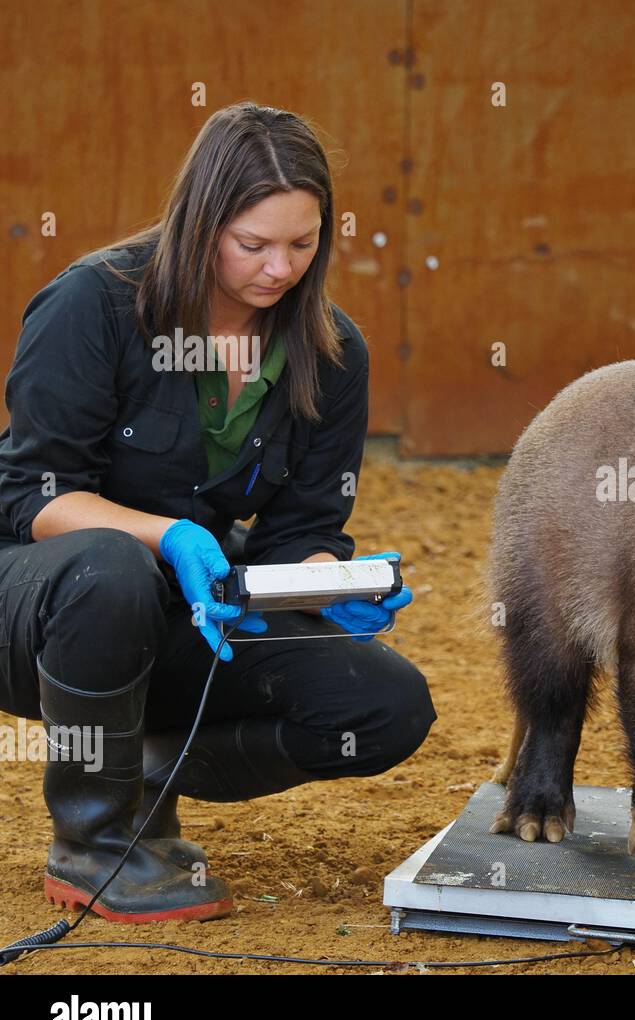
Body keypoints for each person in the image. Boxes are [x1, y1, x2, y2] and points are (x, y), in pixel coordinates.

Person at [0, 102, 436, 922]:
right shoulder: (92, 304)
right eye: (254, 244)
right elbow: (32, 497)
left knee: (386, 704)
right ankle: (94, 843)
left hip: (181, 616)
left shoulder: (331, 353)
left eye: (302, 244)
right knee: (113, 565)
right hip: (39, 611)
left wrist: (327, 581)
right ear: (202, 223)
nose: (280, 269)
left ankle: (157, 760)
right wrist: (165, 533)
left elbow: (303, 528)